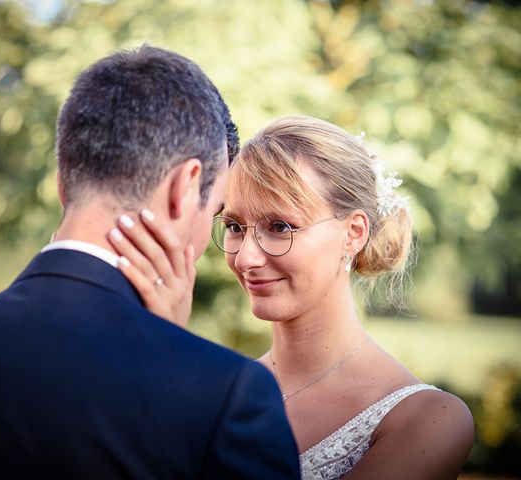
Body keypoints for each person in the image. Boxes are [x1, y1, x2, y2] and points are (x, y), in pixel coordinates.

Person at [0, 46, 301, 479]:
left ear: (63, 181)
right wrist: (170, 359)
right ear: (185, 186)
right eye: (214, 211)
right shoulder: (225, 396)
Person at [110, 115, 475, 479]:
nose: (246, 258)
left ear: (353, 233)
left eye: (280, 226)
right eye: (235, 227)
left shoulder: (428, 419)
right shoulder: (212, 390)